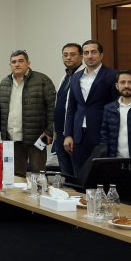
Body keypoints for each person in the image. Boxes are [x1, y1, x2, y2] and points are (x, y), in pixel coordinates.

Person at [0, 50, 56, 176]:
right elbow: (0, 110)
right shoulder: (4, 83)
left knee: (38, 175)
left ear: (28, 63)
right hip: (11, 138)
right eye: (13, 62)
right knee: (15, 176)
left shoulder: (42, 80)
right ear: (10, 65)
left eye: (21, 61)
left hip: (38, 138)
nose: (17, 64)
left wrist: (49, 131)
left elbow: (52, 108)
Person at [64, 40, 118, 175]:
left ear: (101, 55)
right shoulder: (76, 77)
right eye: (86, 53)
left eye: (94, 52)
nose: (90, 56)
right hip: (78, 136)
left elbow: (117, 106)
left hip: (102, 135)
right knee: (80, 175)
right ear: (82, 56)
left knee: (101, 175)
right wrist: (68, 134)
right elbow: (71, 108)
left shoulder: (112, 75)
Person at [53, 43, 82, 176]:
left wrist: (70, 134)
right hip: (60, 133)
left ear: (81, 57)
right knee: (66, 175)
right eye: (65, 55)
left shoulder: (83, 76)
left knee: (78, 175)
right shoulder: (66, 76)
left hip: (74, 134)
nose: (68, 58)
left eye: (72, 54)